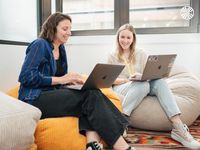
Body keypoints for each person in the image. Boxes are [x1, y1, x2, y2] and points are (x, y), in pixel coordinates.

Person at [18, 13, 135, 150]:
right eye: (65, 29)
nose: (69, 33)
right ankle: (121, 143)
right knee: (88, 97)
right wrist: (62, 79)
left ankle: (91, 144)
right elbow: (26, 76)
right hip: (34, 99)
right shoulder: (40, 44)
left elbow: (58, 79)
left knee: (91, 91)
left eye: (70, 29)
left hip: (51, 94)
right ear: (53, 27)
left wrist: (70, 81)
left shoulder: (61, 48)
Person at [107, 23, 200, 150]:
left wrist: (142, 76)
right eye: (122, 37)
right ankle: (122, 121)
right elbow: (110, 79)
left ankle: (178, 127)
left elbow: (148, 73)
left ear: (133, 39)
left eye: (128, 37)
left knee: (159, 81)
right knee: (143, 86)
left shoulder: (141, 53)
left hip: (141, 83)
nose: (125, 40)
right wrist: (127, 80)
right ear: (118, 38)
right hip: (122, 86)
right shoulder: (112, 55)